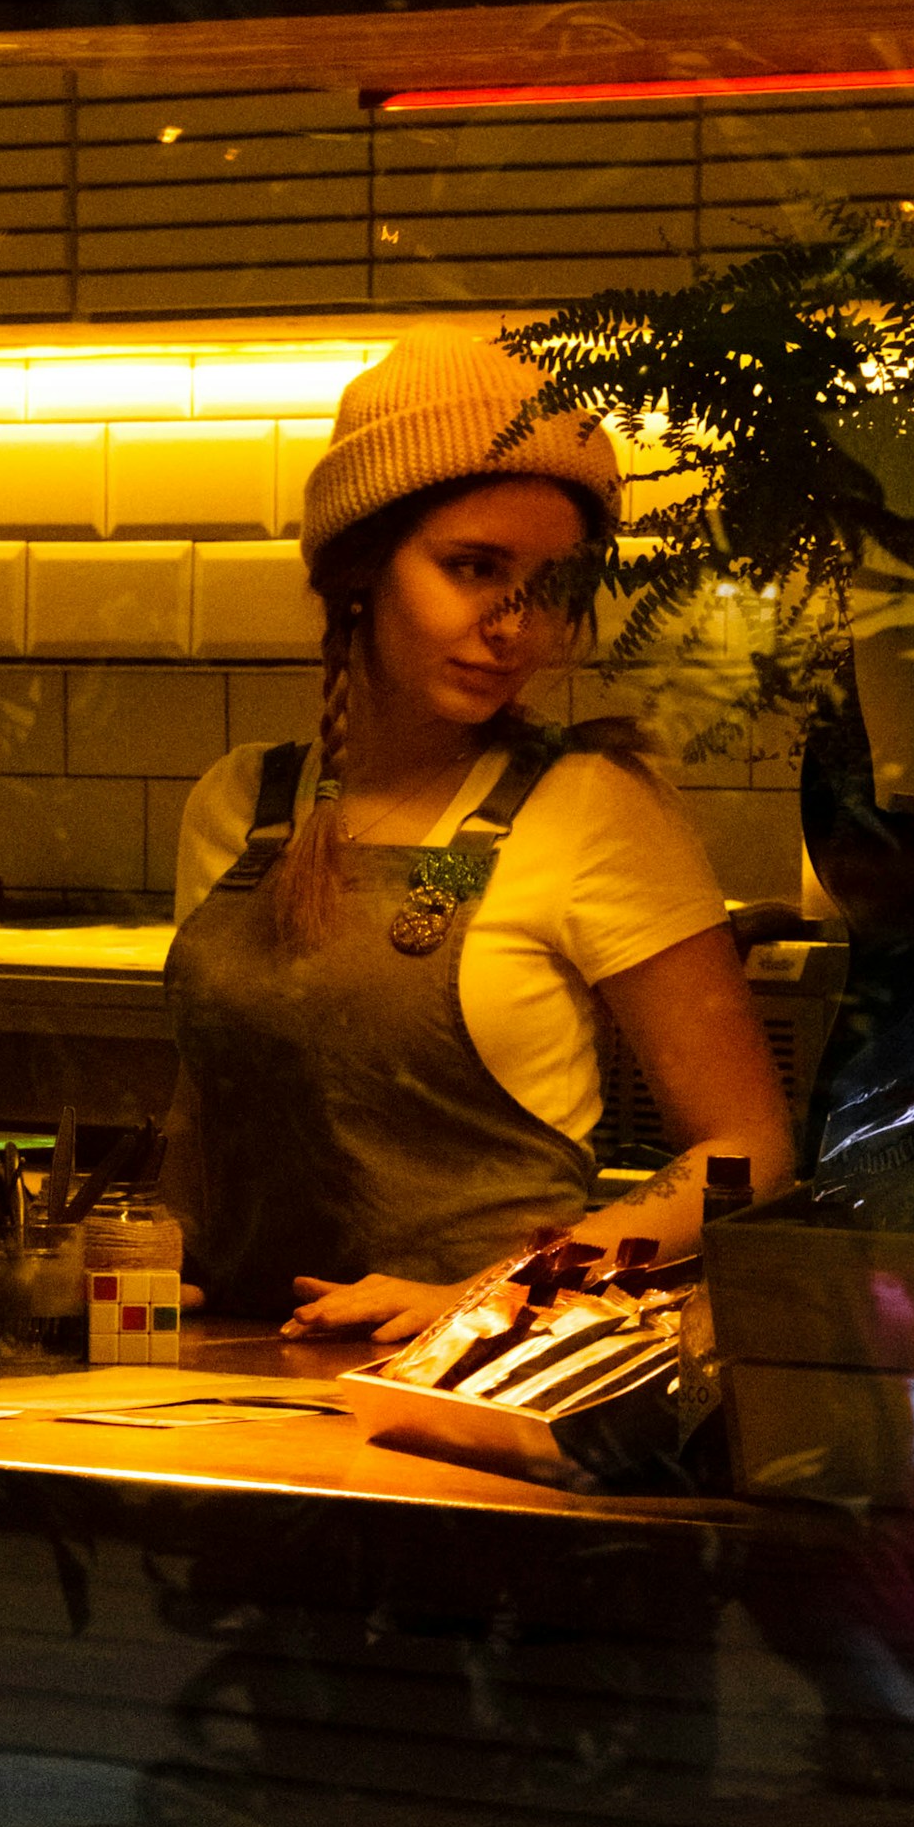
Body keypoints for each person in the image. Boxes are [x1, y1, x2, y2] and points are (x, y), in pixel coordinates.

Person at [163, 328, 793, 1336]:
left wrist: (503, 1296)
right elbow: (213, 1116)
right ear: (362, 565)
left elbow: (745, 1146)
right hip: (228, 1369)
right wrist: (141, 1262)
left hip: (477, 1378)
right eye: (472, 567)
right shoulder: (238, 806)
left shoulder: (592, 807)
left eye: (553, 586)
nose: (516, 625)